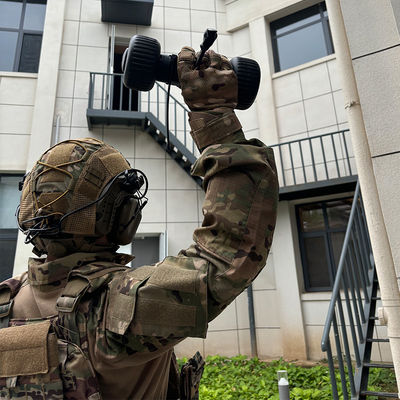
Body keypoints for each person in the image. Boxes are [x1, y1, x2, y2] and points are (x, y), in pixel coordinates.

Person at [0, 47, 278, 400]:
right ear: (122, 217)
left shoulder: (6, 302)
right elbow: (228, 251)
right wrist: (213, 115)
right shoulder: (118, 309)